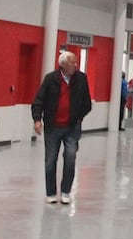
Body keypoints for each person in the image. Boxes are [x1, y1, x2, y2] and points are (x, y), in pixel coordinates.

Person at [32, 51, 93, 205]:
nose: (76, 65)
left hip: (72, 127)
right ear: (63, 64)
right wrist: (37, 120)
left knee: (70, 157)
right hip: (53, 127)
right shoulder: (51, 79)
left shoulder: (81, 79)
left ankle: (66, 192)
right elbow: (39, 100)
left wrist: (78, 118)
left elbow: (87, 103)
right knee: (50, 160)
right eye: (73, 62)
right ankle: (51, 193)